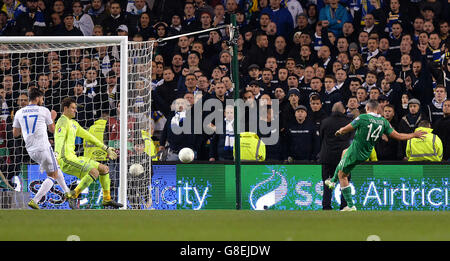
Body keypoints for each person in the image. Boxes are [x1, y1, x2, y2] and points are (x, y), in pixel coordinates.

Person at [325, 99, 426, 211]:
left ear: (367, 108)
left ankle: (333, 181)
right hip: (367, 152)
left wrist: (340, 131)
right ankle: (350, 205)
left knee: (342, 167)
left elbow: (347, 128)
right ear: (378, 109)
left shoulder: (363, 117)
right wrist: (413, 135)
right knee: (343, 169)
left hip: (356, 150)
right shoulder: (384, 122)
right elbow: (398, 136)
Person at [55, 97, 122, 209]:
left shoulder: (74, 123)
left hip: (74, 157)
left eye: (75, 108)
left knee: (104, 169)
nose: (75, 110)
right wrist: (56, 154)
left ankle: (106, 199)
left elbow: (89, 137)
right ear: (65, 108)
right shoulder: (62, 121)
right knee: (94, 172)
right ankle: (73, 195)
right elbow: (60, 138)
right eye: (72, 108)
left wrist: (106, 148)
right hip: (65, 159)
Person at [11, 89, 71, 209]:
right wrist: (53, 117)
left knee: (55, 166)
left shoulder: (19, 112)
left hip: (31, 150)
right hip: (44, 147)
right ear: (38, 98)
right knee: (52, 175)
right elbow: (52, 130)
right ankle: (35, 200)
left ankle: (67, 192)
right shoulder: (44, 110)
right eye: (42, 99)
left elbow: (15, 133)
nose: (42, 101)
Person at [318, 102, 352, 210]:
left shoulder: (325, 122)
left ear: (332, 111)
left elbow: (321, 137)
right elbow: (351, 137)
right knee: (344, 181)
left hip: (327, 157)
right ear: (343, 111)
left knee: (327, 182)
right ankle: (344, 205)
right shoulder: (348, 122)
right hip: (344, 157)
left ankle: (326, 205)